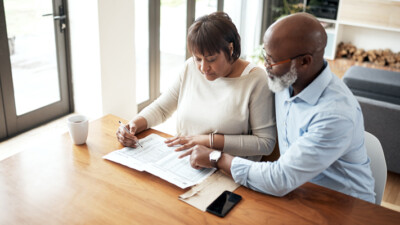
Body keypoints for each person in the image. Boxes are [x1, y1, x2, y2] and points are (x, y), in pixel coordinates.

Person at [180, 12, 376, 203]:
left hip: (344, 205)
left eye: (272, 61)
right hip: (297, 193)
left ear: (304, 62)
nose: (266, 66)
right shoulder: (285, 81)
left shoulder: (335, 115)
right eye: (266, 56)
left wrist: (217, 157)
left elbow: (280, 178)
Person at [116, 12, 276, 161]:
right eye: (197, 58)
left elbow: (265, 143)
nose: (203, 68)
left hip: (228, 171)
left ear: (230, 48)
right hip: (185, 162)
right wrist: (134, 125)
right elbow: (161, 109)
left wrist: (209, 141)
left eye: (211, 59)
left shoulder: (256, 80)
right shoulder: (190, 68)